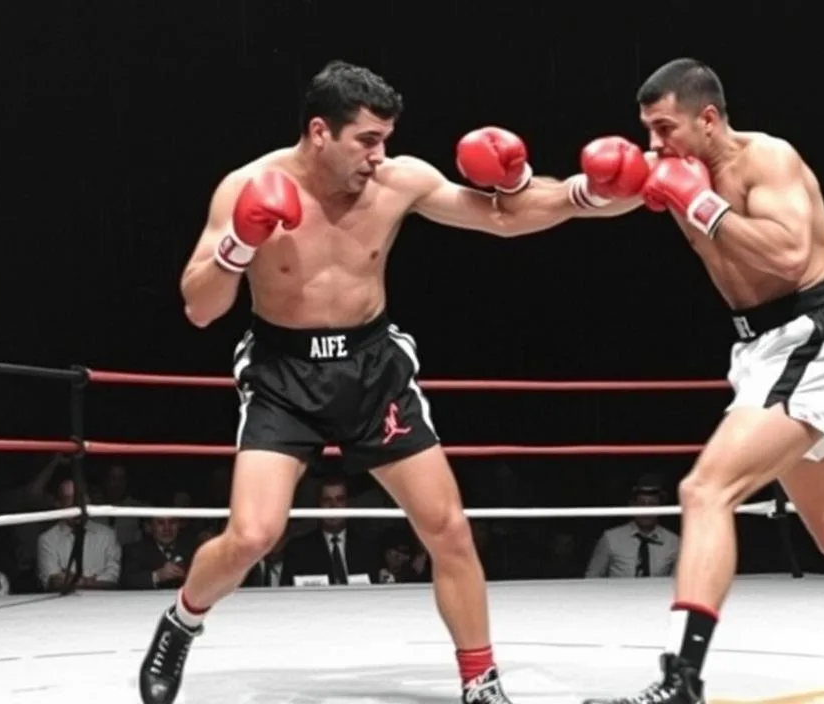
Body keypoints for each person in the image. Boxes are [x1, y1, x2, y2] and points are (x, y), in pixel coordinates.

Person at [482, 58, 824, 703]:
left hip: (815, 335)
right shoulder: (668, 170)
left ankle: (682, 681)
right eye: (647, 130)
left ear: (708, 117)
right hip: (762, 350)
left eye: (664, 128)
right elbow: (563, 204)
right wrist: (510, 185)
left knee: (705, 489)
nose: (654, 145)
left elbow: (789, 255)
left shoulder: (769, 161)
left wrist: (700, 206)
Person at [137, 59, 637, 704]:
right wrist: (240, 241)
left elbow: (503, 216)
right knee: (252, 536)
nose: (380, 155)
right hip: (283, 372)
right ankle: (182, 621)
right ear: (320, 131)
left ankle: (480, 683)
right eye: (367, 140)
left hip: (373, 368)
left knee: (447, 527)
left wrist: (587, 195)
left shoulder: (399, 181)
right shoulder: (248, 185)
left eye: (386, 139)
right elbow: (200, 307)